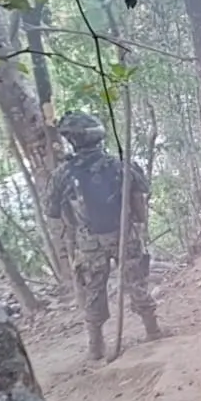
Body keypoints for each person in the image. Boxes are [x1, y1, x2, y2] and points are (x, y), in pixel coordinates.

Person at [46, 111, 164, 361]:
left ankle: (96, 347)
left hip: (90, 242)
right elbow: (143, 191)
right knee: (136, 282)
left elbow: (53, 210)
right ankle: (152, 330)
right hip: (123, 234)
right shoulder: (121, 164)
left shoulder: (63, 174)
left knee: (94, 291)